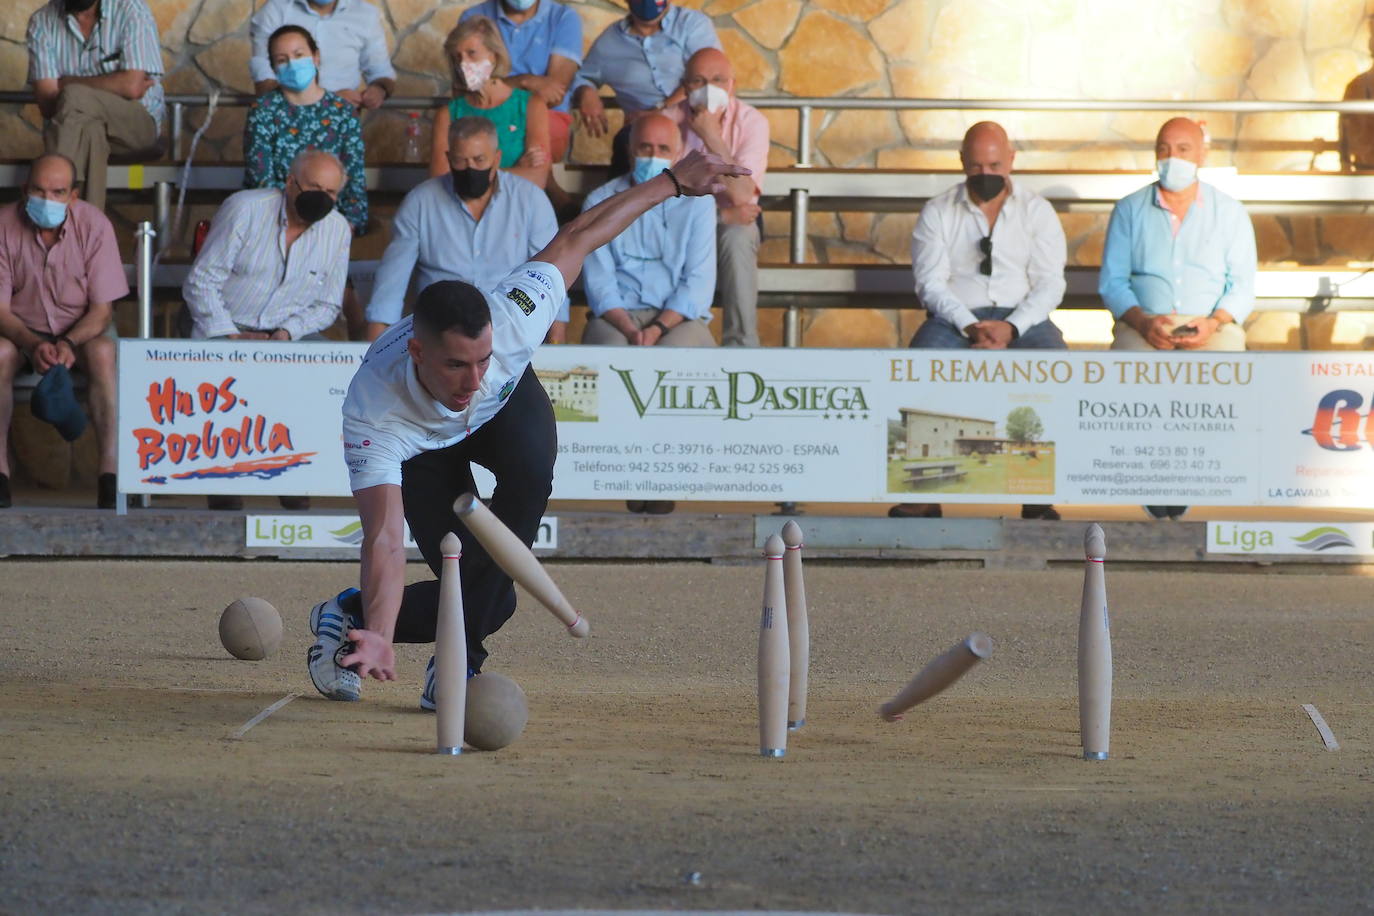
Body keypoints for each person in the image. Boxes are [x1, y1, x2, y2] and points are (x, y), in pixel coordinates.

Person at [305, 148, 747, 707]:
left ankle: (457, 657)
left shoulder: (515, 317)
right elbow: (385, 540)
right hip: (422, 447)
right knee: (489, 591)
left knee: (530, 476)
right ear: (417, 353)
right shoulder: (373, 407)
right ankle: (352, 618)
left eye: (481, 359)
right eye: (456, 365)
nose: (472, 379)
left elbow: (580, 236)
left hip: (507, 410)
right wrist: (382, 631)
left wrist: (673, 182)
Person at [890, 122, 1067, 523]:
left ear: (1011, 160)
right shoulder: (938, 211)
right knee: (918, 367)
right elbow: (930, 283)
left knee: (1056, 367)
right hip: (955, 317)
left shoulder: (1037, 211)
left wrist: (1013, 327)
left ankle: (1038, 493)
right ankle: (921, 494)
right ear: (961, 162)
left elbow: (1050, 283)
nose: (985, 174)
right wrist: (971, 325)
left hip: (1023, 317)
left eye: (994, 165)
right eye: (976, 166)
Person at [1099, 116, 1256, 520]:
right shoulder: (1129, 210)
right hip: (1144, 323)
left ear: (1202, 154)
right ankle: (1152, 481)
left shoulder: (1230, 211)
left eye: (1183, 149)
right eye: (1164, 150)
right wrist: (1143, 322)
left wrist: (1214, 322)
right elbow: (1113, 282)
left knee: (1226, 379)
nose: (1173, 158)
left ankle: (1204, 479)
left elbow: (1242, 286)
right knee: (1129, 382)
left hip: (1212, 325)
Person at [183, 150, 352, 511]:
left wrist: (286, 334)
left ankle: (297, 474)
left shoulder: (338, 229)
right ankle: (223, 480)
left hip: (287, 335)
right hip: (225, 324)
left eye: (331, 192)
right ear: (290, 183)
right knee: (223, 381)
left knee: (327, 372)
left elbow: (327, 305)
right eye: (314, 187)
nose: (323, 198)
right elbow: (201, 282)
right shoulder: (245, 209)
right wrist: (230, 334)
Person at [0, 153, 125, 510]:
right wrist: (32, 342)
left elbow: (102, 311)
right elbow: (0, 310)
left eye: (57, 192)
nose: (47, 200)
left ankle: (111, 475)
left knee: (103, 353)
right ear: (24, 190)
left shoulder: (95, 225)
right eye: (39, 191)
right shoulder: (3, 225)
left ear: (73, 195)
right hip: (21, 330)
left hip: (81, 329)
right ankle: (0, 474)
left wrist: (70, 342)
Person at [366, 116, 557, 341]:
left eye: (479, 160)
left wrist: (557, 344)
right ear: (448, 158)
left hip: (510, 328)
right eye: (460, 161)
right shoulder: (420, 202)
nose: (470, 168)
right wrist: (374, 347)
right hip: (440, 331)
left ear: (497, 159)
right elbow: (391, 283)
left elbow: (550, 276)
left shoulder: (531, 200)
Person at [663, 48, 769, 347]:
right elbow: (660, 206)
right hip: (679, 227)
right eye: (698, 81)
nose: (709, 88)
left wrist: (711, 136)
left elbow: (742, 195)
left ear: (732, 85)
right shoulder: (667, 121)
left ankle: (742, 347)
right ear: (685, 87)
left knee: (739, 236)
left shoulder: (753, 121)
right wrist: (720, 215)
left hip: (729, 227)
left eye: (718, 80)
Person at [26, 0, 164, 211]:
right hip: (83, 131)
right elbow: (47, 102)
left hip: (137, 126)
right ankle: (86, 227)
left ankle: (54, 203)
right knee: (90, 130)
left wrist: (65, 83)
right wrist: (116, 81)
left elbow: (132, 87)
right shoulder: (42, 21)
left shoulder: (131, 10)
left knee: (73, 96)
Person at [245, 25, 368, 235]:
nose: (292, 64)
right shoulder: (263, 111)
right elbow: (261, 179)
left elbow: (354, 178)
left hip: (332, 224)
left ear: (316, 57)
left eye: (299, 55)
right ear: (274, 68)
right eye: (282, 60)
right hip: (275, 223)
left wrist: (347, 226)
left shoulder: (343, 112)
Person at [571, 0, 719, 175]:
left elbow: (710, 76)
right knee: (627, 141)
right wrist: (586, 92)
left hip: (694, 118)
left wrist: (661, 110)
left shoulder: (692, 24)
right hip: (642, 130)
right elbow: (582, 76)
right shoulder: (610, 41)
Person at [429, 18, 551, 192]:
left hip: (518, 204)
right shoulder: (448, 114)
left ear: (494, 55)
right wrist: (516, 170)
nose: (463, 64)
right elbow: (441, 181)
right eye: (457, 57)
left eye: (472, 53)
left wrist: (470, 176)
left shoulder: (531, 105)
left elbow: (537, 178)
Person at [459, 0, 582, 164]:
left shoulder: (563, 17)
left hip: (547, 115)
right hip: (485, 111)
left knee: (531, 148)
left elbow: (553, 95)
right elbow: (472, 87)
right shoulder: (473, 17)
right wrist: (525, 81)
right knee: (467, 136)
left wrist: (498, 86)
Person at [249, 0, 396, 109]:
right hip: (285, 121)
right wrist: (328, 101)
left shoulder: (366, 14)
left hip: (343, 123)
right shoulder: (274, 11)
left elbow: (381, 72)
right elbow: (264, 84)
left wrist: (379, 90)